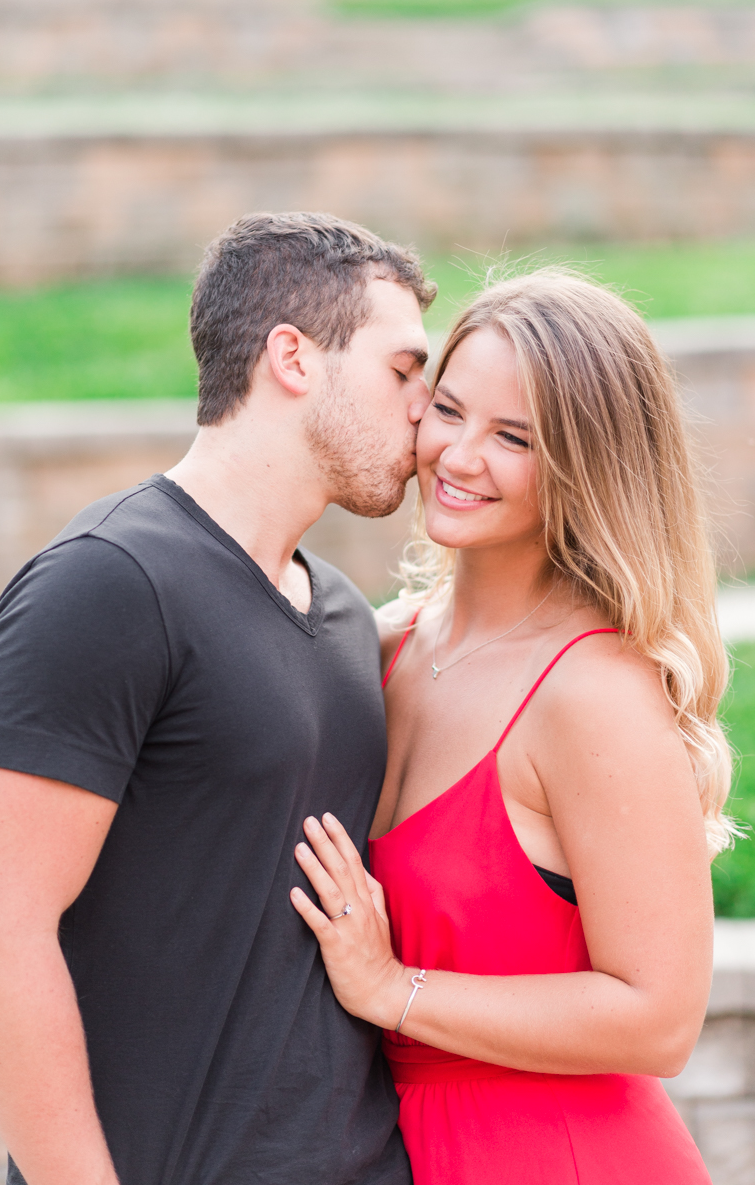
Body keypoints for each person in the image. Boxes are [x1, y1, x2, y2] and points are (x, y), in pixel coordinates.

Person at [0, 212, 437, 1185]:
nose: (426, 411)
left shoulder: (341, 614)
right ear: (292, 358)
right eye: (401, 371)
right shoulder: (107, 585)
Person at [291, 269, 730, 1183]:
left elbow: (660, 1019)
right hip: (388, 1146)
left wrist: (390, 989)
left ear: (587, 465)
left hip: (563, 1155)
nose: (456, 456)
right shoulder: (383, 647)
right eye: (447, 410)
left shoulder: (594, 691)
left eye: (513, 438)